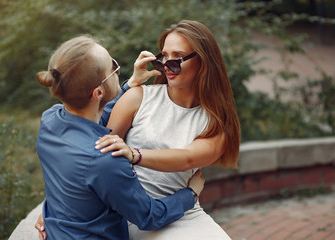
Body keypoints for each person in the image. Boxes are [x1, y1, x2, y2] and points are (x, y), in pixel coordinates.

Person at [35, 34, 205, 240]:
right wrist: (191, 194)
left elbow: (93, 117)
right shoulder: (106, 158)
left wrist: (129, 84)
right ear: (98, 93)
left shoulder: (50, 120)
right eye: (113, 68)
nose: (118, 70)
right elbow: (148, 215)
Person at [94, 20, 241, 239]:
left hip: (181, 213)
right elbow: (93, 155)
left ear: (203, 61)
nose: (167, 65)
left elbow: (188, 158)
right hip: (131, 211)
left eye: (177, 57)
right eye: (164, 56)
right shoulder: (137, 98)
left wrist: (134, 154)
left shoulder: (217, 123)